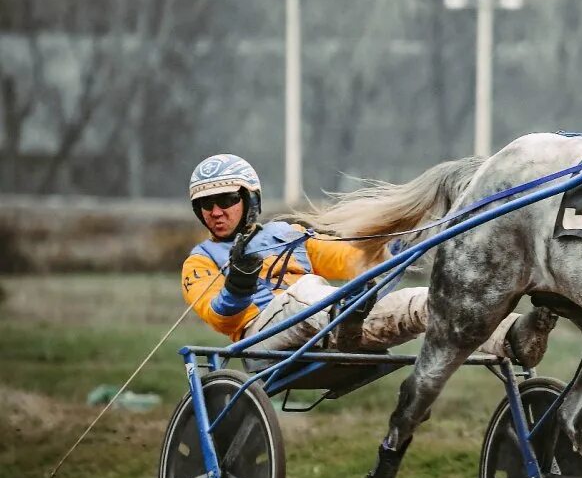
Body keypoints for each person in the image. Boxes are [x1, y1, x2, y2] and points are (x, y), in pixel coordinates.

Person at [181, 153, 556, 363]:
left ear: (250, 200)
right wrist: (238, 285)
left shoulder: (286, 234)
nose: (216, 211)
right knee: (307, 290)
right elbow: (217, 316)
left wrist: (399, 244)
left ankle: (513, 338)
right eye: (206, 205)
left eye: (227, 200)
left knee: (424, 301)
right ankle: (341, 317)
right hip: (262, 339)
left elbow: (350, 262)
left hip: (328, 325)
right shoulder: (199, 261)